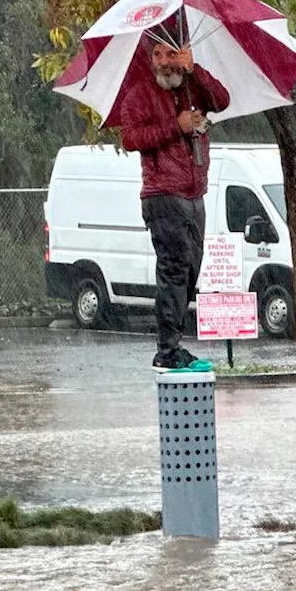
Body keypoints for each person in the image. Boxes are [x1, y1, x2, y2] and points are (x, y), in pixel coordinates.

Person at [120, 28, 230, 372]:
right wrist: (176, 125)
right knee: (174, 269)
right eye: (158, 56)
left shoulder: (192, 87)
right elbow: (131, 138)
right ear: (150, 60)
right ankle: (167, 350)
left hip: (195, 192)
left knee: (191, 269)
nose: (165, 63)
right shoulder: (139, 95)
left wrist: (195, 70)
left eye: (171, 55)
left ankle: (173, 345)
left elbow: (222, 100)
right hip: (163, 195)